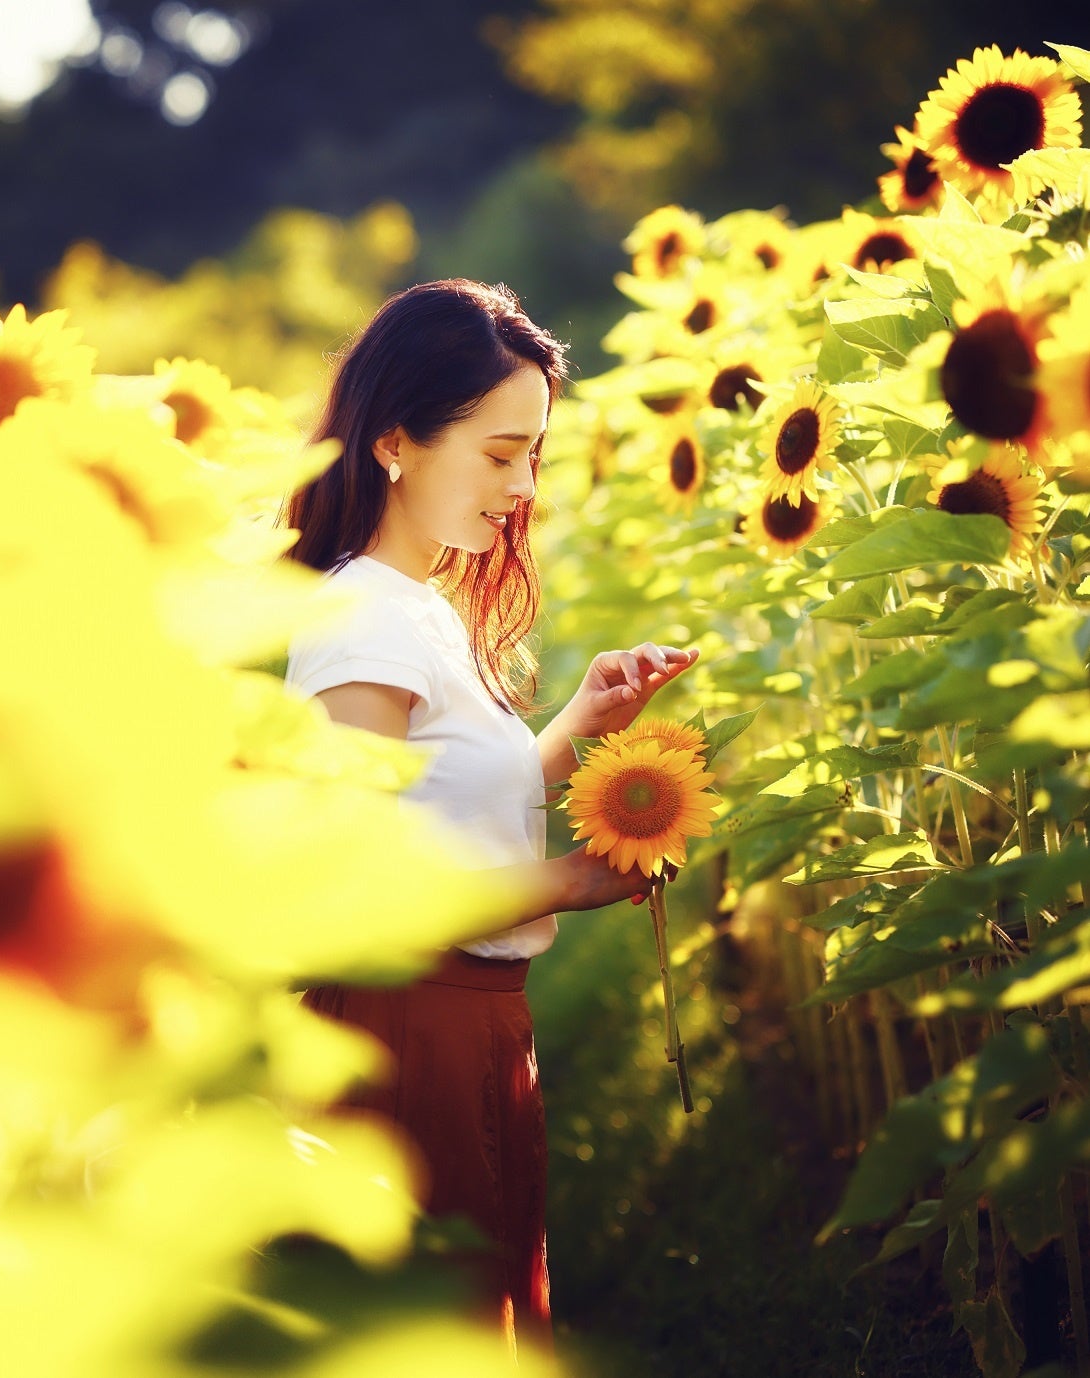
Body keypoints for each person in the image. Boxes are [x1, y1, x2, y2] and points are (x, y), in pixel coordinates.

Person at [281, 279, 697, 1355]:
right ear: (395, 444)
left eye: (532, 457)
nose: (520, 486)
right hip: (407, 1030)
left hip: (469, 1026)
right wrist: (567, 880)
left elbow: (435, 812)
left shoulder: (415, 603)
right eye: (498, 452)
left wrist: (572, 726)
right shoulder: (361, 623)